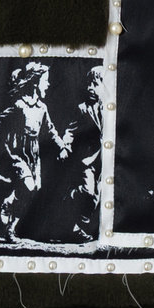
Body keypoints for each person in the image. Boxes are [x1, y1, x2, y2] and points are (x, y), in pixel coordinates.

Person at [0, 60, 72, 238]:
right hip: (16, 152)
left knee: (32, 191)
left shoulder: (42, 108)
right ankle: (8, 205)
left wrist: (62, 147)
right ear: (35, 83)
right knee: (28, 186)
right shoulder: (20, 105)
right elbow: (0, 119)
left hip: (33, 154)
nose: (48, 84)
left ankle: (11, 227)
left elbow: (51, 130)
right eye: (45, 81)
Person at [67, 65, 106, 240]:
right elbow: (70, 131)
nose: (90, 88)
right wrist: (66, 145)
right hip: (87, 159)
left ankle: (78, 227)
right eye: (88, 84)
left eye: (95, 84)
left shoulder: (113, 108)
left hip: (105, 159)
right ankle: (70, 198)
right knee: (88, 192)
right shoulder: (82, 108)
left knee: (97, 195)